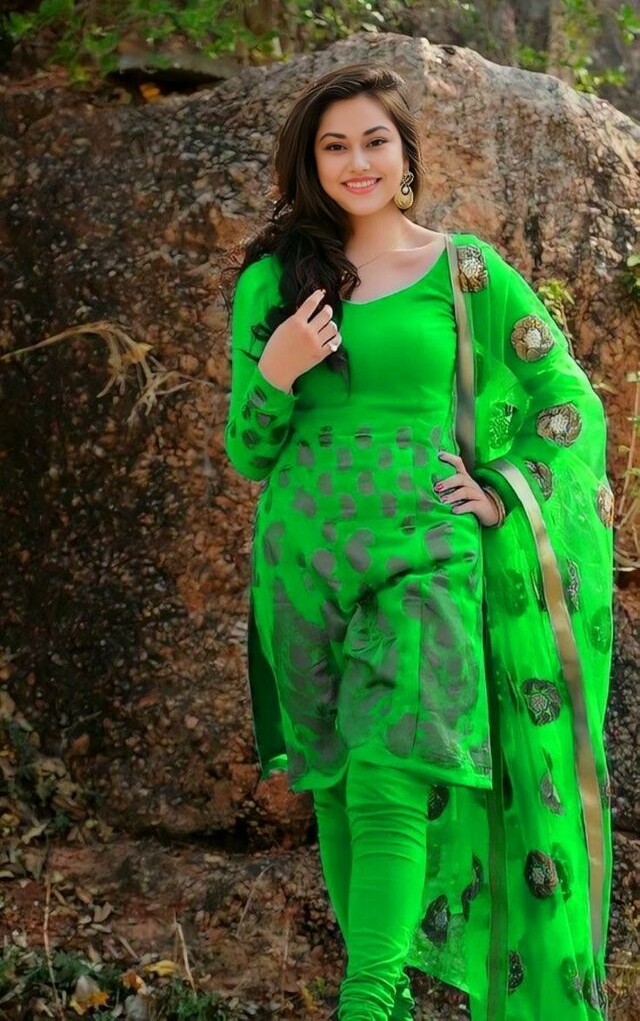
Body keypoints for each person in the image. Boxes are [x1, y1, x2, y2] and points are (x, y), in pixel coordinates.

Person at [222, 61, 614, 1021]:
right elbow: (249, 452)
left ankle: (363, 1002)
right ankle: (385, 999)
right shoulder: (274, 282)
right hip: (302, 561)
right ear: (310, 164)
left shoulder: (463, 271)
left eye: (375, 141)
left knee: (392, 772)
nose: (357, 162)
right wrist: (277, 371)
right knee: (335, 783)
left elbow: (566, 398)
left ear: (405, 155)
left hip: (426, 556)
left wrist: (505, 489)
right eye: (334, 146)